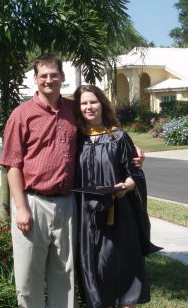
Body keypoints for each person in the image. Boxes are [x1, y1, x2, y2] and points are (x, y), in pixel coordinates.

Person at [0, 54, 145, 308]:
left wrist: (133, 154)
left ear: (62, 77)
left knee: (64, 275)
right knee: (27, 278)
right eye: (43, 76)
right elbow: (12, 165)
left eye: (54, 75)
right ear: (35, 79)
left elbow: (100, 135)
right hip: (33, 203)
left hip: (68, 204)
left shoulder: (72, 111)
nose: (49, 80)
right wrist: (21, 208)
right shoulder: (21, 115)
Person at [73, 85, 161, 308]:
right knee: (92, 268)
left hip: (118, 214)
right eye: (83, 103)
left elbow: (135, 174)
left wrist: (127, 186)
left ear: (102, 103)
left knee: (120, 267)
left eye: (93, 101)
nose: (89, 107)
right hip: (85, 216)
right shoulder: (74, 138)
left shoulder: (118, 137)